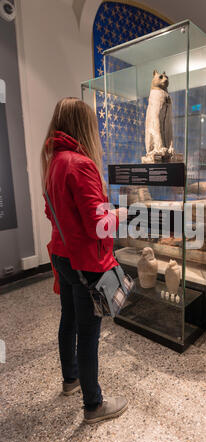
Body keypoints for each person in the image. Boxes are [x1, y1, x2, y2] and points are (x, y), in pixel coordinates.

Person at [42, 97, 128, 425]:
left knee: (69, 320)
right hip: (86, 261)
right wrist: (121, 213)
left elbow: (51, 212)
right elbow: (98, 223)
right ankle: (93, 405)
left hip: (62, 255)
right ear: (85, 125)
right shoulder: (80, 163)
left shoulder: (54, 161)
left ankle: (70, 380)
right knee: (89, 332)